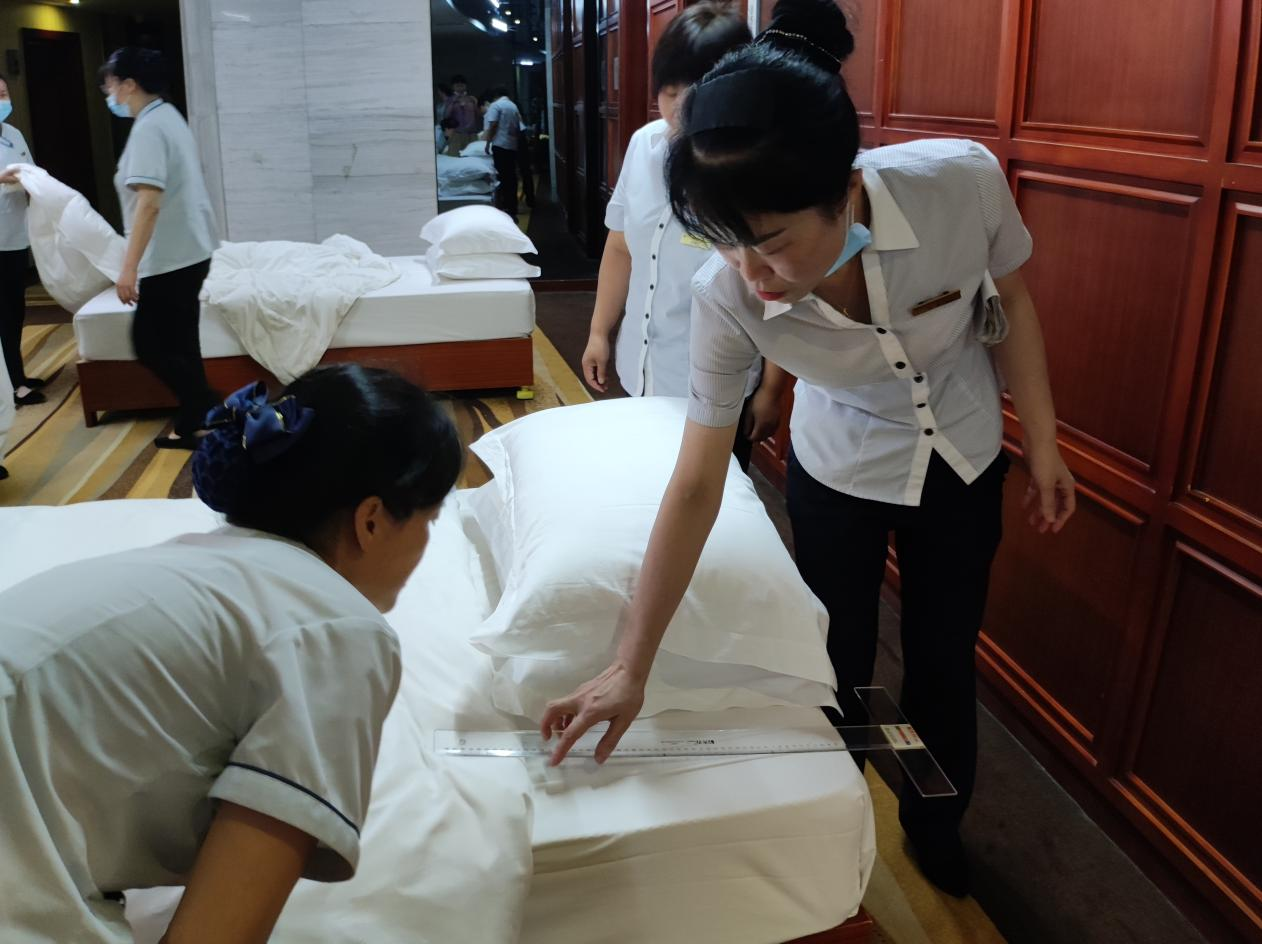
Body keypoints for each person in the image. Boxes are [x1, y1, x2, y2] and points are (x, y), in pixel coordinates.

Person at [540, 0, 1077, 898]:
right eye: (726, 247)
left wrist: (1047, 446)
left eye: (772, 244)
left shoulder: (961, 183)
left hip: (962, 450)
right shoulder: (727, 297)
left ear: (844, 190)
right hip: (842, 461)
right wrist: (631, 665)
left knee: (944, 658)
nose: (752, 278)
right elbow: (695, 483)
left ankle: (935, 826)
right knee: (835, 658)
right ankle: (837, 825)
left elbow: (1012, 301)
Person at [0, 364, 462, 944]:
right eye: (429, 520)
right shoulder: (337, 626)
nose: (426, 544)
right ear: (371, 521)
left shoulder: (196, 563)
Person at [581, 2, 779, 472]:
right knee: (641, 490)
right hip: (640, 367)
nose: (679, 111)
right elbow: (621, 247)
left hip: (716, 384)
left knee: (714, 504)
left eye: (696, 95)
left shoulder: (755, 167)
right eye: (670, 94)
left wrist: (772, 388)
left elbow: (779, 289)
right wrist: (599, 333)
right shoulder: (644, 145)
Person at [100, 47, 220, 449]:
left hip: (170, 256)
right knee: (182, 342)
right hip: (191, 249)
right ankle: (195, 423)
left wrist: (128, 268)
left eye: (111, 84)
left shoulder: (150, 128)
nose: (109, 93)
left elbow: (149, 203)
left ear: (130, 84)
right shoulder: (167, 115)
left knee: (149, 344)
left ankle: (208, 405)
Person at [0, 73, 42, 408]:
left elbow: (30, 171)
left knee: (16, 310)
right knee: (3, 313)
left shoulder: (13, 134)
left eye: (3, 93)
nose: (2, 101)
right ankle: (13, 384)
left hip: (15, 235)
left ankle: (18, 375)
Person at [483, 87, 522, 219]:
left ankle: (504, 206)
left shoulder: (496, 105)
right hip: (511, 145)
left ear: (495, 95)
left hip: (500, 145)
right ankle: (512, 207)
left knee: (502, 177)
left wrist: (488, 143)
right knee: (511, 177)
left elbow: (493, 125)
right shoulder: (513, 106)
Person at [443, 75, 480, 156]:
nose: (460, 87)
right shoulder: (449, 100)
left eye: (462, 85)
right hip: (456, 134)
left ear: (465, 86)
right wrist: (453, 102)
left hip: (472, 133)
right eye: (457, 85)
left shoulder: (471, 99)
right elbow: (446, 116)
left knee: (473, 158)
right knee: (454, 157)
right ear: (453, 86)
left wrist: (475, 104)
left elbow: (478, 116)